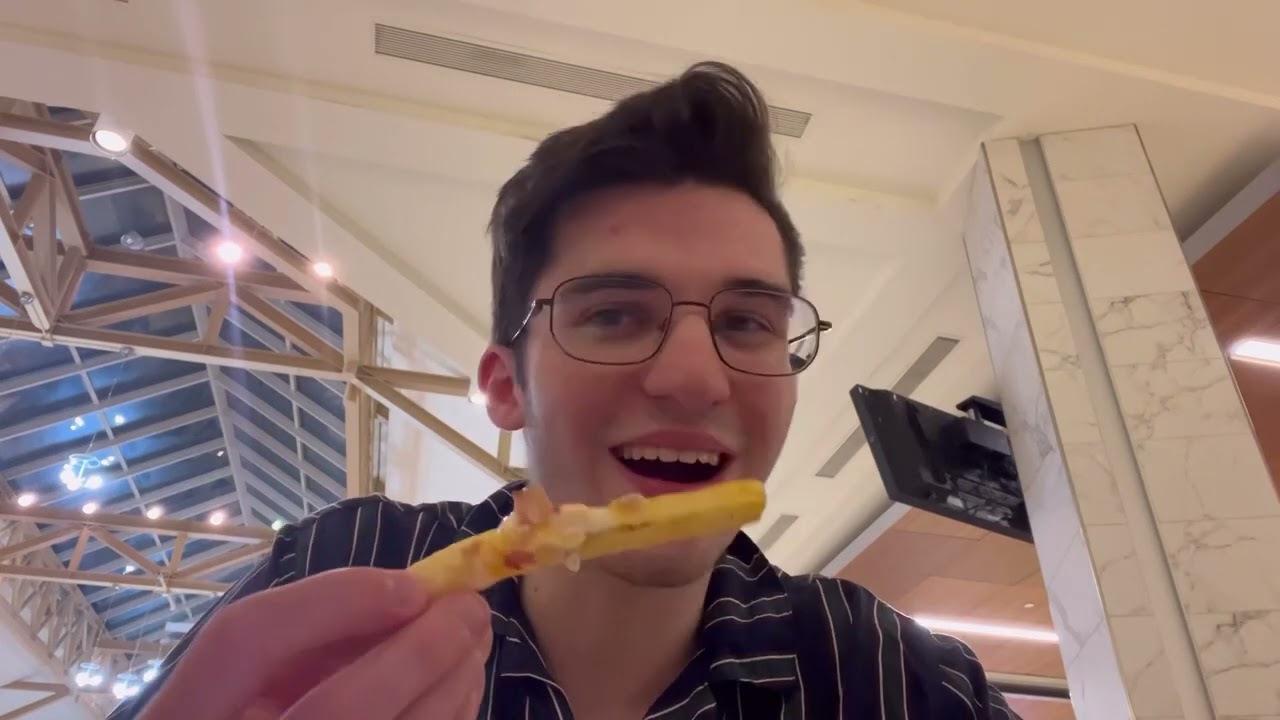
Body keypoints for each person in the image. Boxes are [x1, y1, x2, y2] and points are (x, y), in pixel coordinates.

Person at [110, 62, 1019, 720]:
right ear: (505, 386)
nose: (696, 378)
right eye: (614, 314)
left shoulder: (894, 681)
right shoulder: (346, 565)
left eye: (748, 321)